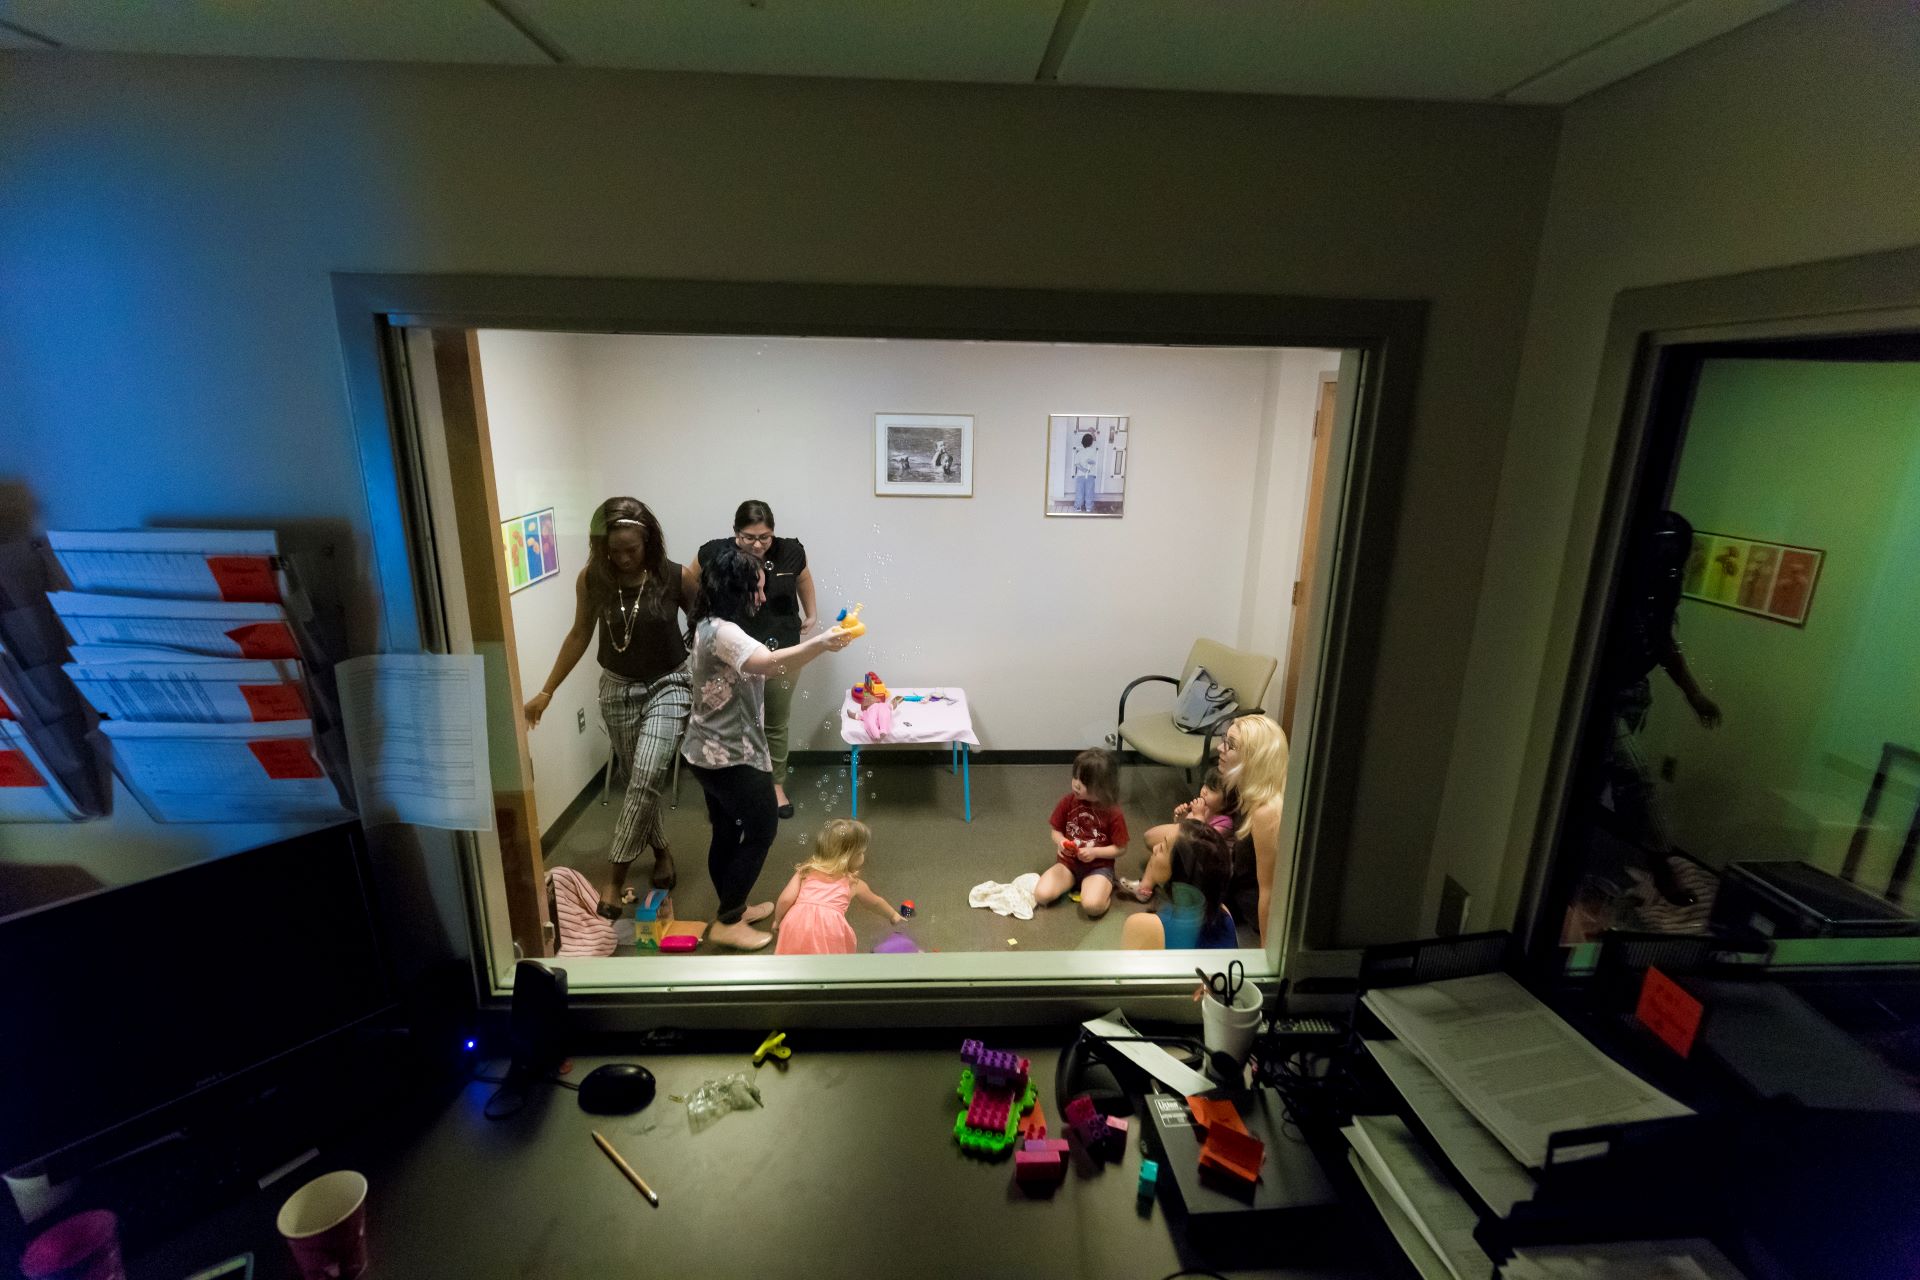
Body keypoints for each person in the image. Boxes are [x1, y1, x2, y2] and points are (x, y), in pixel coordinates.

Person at [682, 546, 855, 951]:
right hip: (730, 756)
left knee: (726, 830)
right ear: (738, 589)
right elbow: (772, 664)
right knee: (762, 830)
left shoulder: (708, 623)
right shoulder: (725, 632)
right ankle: (727, 921)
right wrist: (823, 643)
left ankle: (733, 907)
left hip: (706, 751)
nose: (761, 597)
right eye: (756, 589)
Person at [524, 498, 696, 903]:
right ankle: (660, 850)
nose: (622, 559)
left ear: (648, 542)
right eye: (613, 551)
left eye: (631, 550)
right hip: (617, 688)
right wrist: (547, 691)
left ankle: (614, 878)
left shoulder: (675, 576)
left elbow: (706, 624)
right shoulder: (592, 579)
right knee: (639, 776)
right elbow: (579, 633)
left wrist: (711, 681)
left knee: (646, 772)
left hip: (669, 683)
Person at [1594, 510, 1722, 905]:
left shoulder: (1665, 584)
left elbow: (1662, 640)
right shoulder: (1620, 578)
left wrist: (1693, 694)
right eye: (1663, 547)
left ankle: (1584, 864)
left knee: (1601, 778)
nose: (1670, 557)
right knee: (1636, 774)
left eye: (1675, 550)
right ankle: (1662, 865)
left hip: (1634, 691)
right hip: (1602, 694)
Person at [1121, 715, 1290, 949]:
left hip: (1239, 895)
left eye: (1231, 745)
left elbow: (1269, 890)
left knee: (1170, 852)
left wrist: (1265, 954)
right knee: (1153, 838)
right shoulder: (1242, 787)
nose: (1220, 747)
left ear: (1252, 758)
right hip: (1229, 865)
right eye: (1224, 739)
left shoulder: (1266, 811)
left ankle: (1157, 893)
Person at [694, 500, 818, 819]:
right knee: (737, 724)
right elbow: (690, 580)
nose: (758, 544)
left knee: (775, 722)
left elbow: (803, 579)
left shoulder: (790, 551)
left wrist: (812, 613)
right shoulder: (715, 553)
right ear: (735, 532)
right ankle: (737, 788)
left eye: (765, 537)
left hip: (780, 650)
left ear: (773, 533)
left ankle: (775, 786)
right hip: (732, 656)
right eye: (749, 537)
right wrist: (698, 621)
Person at [771, 818, 905, 955]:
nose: (863, 855)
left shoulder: (805, 871)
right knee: (828, 961)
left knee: (793, 958)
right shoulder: (853, 883)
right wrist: (893, 914)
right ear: (848, 858)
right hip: (829, 928)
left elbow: (785, 899)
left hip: (797, 922)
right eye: (860, 853)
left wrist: (778, 921)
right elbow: (875, 903)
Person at [1033, 748, 1129, 918]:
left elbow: (1121, 848)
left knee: (1092, 907)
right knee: (1041, 896)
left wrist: (1095, 852)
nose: (1076, 784)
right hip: (1068, 864)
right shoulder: (1068, 801)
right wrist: (1061, 842)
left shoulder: (1113, 812)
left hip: (1098, 868)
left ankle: (1104, 888)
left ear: (1102, 787)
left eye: (1084, 782)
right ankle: (1076, 884)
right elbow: (1056, 831)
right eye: (1075, 777)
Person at [1122, 766, 1236, 902]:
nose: (1205, 791)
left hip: (1206, 868)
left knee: (1167, 847)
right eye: (1205, 784)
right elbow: (1183, 830)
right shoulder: (1203, 809)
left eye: (1212, 789)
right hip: (1191, 855)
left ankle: (1162, 883)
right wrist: (1181, 817)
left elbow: (1203, 842)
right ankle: (1145, 888)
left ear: (1227, 801)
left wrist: (1198, 816)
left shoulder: (1225, 822)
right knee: (1163, 847)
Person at [1121, 820, 1239, 951]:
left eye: (1162, 847)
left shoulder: (1141, 926)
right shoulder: (1224, 915)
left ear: (1179, 871)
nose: (1155, 848)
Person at [1071, 432, 1100, 512]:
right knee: (1089, 491)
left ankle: (1078, 506)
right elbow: (1095, 440)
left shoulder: (1079, 453)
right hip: (1090, 475)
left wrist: (1083, 470)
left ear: (1082, 443)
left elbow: (1077, 464)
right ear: (1091, 443)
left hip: (1080, 476)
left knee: (1079, 491)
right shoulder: (1093, 450)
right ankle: (1089, 507)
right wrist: (1093, 432)